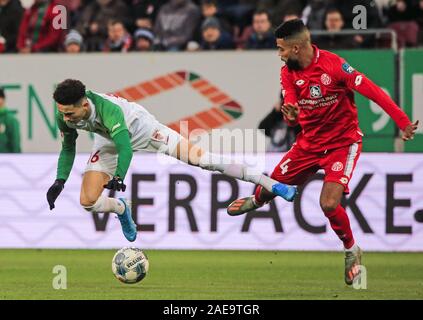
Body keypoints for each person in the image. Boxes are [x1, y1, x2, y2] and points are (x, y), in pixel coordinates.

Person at [227, 19, 419, 285]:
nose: (279, 54)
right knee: (272, 184)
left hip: (343, 143)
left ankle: (352, 249)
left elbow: (373, 91)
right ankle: (258, 201)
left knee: (328, 203)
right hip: (309, 143)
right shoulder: (288, 72)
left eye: (281, 49)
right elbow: (292, 110)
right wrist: (292, 115)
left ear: (295, 48)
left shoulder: (335, 66)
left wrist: (402, 121)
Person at [46, 79, 297, 242]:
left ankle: (271, 183)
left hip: (145, 131)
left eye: (70, 113)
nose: (66, 118)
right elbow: (68, 147)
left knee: (204, 160)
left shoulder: (108, 109)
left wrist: (120, 176)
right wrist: (60, 180)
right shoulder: (64, 113)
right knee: (88, 201)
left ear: (84, 105)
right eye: (62, 113)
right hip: (108, 141)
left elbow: (126, 147)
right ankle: (122, 208)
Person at [0, 88, 21, 153]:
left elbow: (15, 143)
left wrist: (16, 159)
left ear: (2, 99)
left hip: (5, 160)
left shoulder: (10, 120)